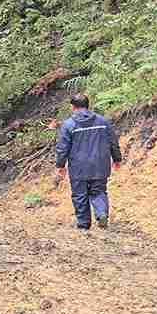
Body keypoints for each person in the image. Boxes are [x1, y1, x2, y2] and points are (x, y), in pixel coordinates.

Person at [55, 93, 123, 230]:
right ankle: (101, 213)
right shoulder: (103, 122)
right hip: (100, 165)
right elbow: (113, 142)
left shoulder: (69, 125)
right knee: (98, 191)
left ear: (73, 107)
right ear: (88, 105)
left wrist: (60, 165)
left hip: (79, 167)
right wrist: (117, 159)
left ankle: (84, 224)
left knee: (80, 195)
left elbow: (63, 147)